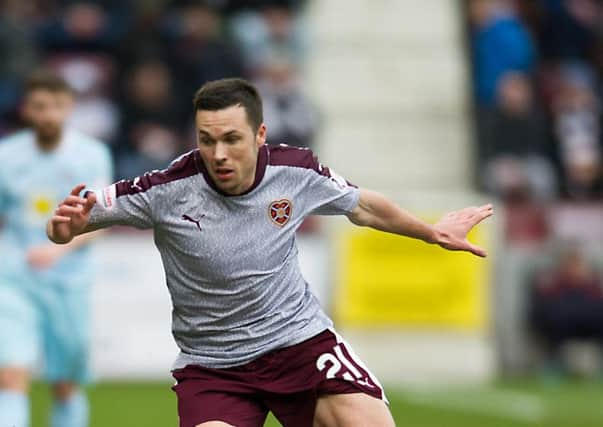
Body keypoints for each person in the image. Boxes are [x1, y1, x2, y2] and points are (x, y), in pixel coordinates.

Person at [47, 78, 493, 427]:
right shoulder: (165, 189)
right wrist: (61, 229)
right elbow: (76, 218)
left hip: (298, 345)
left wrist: (430, 232)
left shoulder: (295, 171)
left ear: (260, 133)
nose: (218, 154)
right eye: (206, 140)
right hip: (214, 366)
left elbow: (365, 207)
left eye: (231, 139)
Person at [0, 71, 112, 427]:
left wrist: (59, 250)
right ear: (27, 110)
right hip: (14, 278)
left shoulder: (91, 155)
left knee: (65, 383)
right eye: (40, 106)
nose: (48, 114)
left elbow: (102, 221)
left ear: (70, 108)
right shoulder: (6, 156)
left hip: (68, 281)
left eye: (56, 106)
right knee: (10, 376)